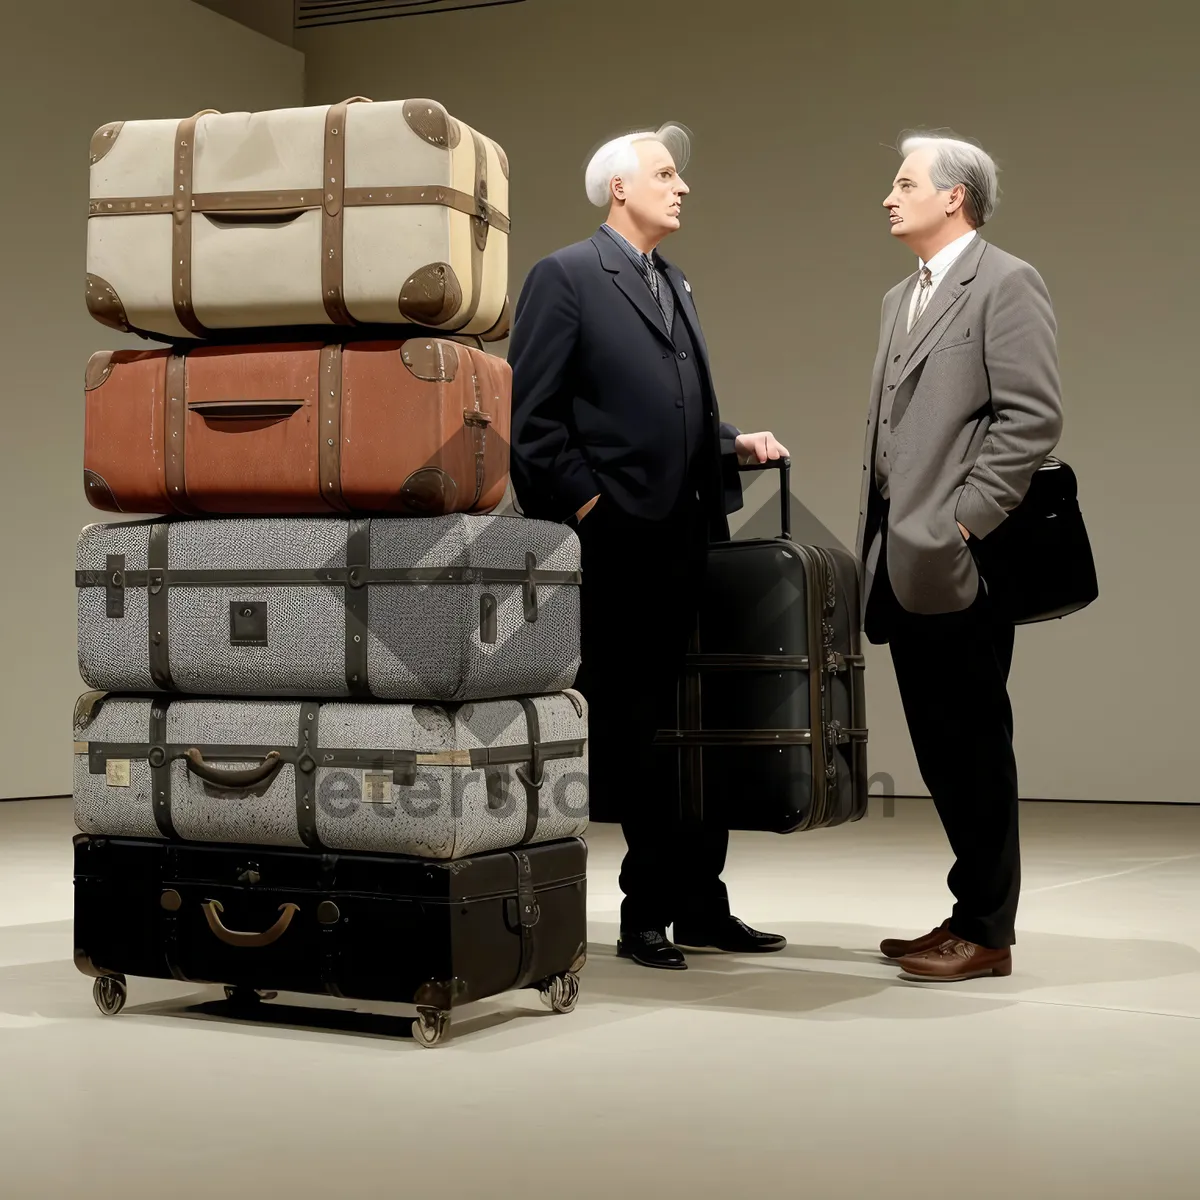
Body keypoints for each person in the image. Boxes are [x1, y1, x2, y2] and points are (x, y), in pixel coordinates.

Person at [507, 123, 789, 970]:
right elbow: (534, 426)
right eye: (666, 173)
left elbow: (671, 405)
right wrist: (594, 506)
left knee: (698, 720)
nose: (683, 186)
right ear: (617, 188)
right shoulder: (566, 277)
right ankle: (645, 913)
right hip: (623, 544)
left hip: (691, 530)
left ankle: (702, 903)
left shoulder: (673, 283)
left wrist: (731, 441)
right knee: (642, 727)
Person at [856, 130, 1064, 981]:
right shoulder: (898, 297)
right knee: (940, 747)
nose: (888, 196)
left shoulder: (1006, 282)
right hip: (903, 561)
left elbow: (1031, 418)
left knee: (975, 743)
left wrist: (963, 523)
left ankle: (988, 931)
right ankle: (966, 909)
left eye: (905, 182)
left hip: (956, 559)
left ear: (955, 197)